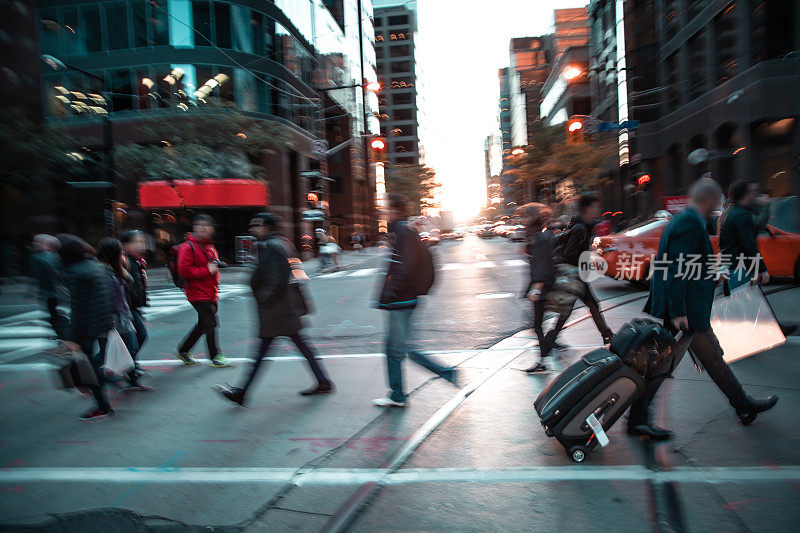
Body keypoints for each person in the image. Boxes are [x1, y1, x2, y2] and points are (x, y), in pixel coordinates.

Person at [634, 178, 779, 440]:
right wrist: (678, 312)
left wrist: (713, 273)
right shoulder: (690, 223)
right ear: (711, 200)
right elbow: (677, 267)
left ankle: (743, 407)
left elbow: (685, 265)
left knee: (707, 360)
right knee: (665, 365)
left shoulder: (683, 220)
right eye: (718, 200)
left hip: (686, 308)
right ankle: (637, 418)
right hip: (685, 311)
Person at [215, 214, 334, 405]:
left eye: (257, 225)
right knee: (299, 347)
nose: (253, 229)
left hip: (277, 311)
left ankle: (242, 393)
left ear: (267, 227)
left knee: (262, 353)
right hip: (283, 309)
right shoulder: (277, 243)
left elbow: (278, 278)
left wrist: (263, 298)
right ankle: (323, 381)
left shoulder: (272, 246)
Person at [373, 194, 457, 408]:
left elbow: (405, 265)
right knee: (395, 349)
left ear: (394, 209)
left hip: (401, 301)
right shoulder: (403, 230)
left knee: (399, 349)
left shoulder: (403, 231)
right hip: (402, 300)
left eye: (386, 208)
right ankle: (398, 393)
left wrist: (392, 292)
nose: (384, 212)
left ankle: (442, 375)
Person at [58, 234, 115, 420]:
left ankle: (102, 406)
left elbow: (77, 307)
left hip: (86, 325)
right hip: (101, 320)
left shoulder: (74, 272)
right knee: (91, 364)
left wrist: (72, 338)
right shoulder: (94, 266)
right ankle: (98, 398)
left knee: (89, 367)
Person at [554, 194, 614, 344]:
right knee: (583, 307)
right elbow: (569, 253)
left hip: (578, 275)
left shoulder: (584, 226)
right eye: (595, 207)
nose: (598, 210)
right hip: (576, 275)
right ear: (587, 209)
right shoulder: (580, 228)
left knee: (585, 306)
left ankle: (606, 334)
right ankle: (548, 341)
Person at [96, 237, 153, 392]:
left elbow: (130, 285)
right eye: (120, 252)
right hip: (112, 318)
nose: (123, 254)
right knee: (112, 351)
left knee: (132, 345)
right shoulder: (102, 271)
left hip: (125, 314)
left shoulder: (117, 268)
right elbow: (107, 297)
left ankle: (132, 380)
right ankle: (93, 376)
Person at [519, 203, 570, 373]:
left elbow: (542, 265)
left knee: (537, 325)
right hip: (544, 285)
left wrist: (536, 288)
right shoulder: (540, 236)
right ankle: (548, 348)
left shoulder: (537, 238)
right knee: (538, 324)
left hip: (541, 287)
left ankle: (543, 358)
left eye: (524, 217)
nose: (522, 220)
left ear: (530, 219)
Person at [175, 214, 230, 368]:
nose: (203, 228)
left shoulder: (210, 246)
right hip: (196, 293)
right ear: (194, 228)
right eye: (199, 225)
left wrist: (215, 267)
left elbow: (212, 268)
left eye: (206, 225)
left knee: (203, 324)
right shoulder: (187, 247)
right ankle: (215, 356)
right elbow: (184, 271)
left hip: (210, 292)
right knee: (211, 323)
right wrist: (207, 270)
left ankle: (183, 350)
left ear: (212, 229)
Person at [718, 181, 770, 291]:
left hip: (728, 266)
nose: (754, 195)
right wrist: (762, 269)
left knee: (733, 303)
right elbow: (749, 245)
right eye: (751, 192)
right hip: (739, 268)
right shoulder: (741, 215)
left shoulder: (727, 213)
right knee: (741, 304)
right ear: (744, 194)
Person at [120, 231, 149, 373]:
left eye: (142, 241)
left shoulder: (137, 261)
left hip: (133, 307)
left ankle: (131, 366)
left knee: (138, 337)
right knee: (138, 336)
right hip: (127, 308)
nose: (141, 245)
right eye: (137, 242)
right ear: (126, 245)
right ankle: (128, 369)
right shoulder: (125, 261)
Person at [29, 234, 65, 338]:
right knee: (57, 313)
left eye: (37, 242)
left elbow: (35, 276)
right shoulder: (57, 257)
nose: (34, 244)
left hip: (48, 291)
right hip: (58, 290)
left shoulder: (36, 258)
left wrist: (31, 292)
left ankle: (60, 335)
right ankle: (61, 334)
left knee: (53, 314)